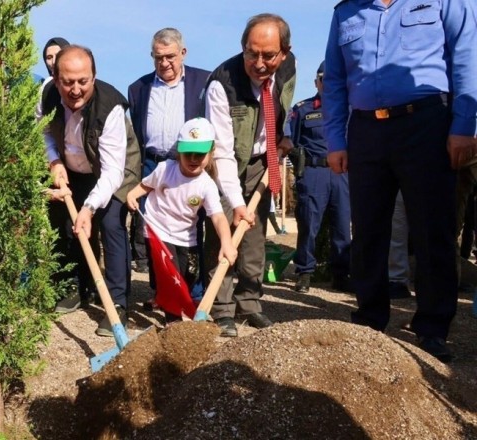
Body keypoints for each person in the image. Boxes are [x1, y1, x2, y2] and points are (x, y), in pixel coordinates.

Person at [323, 0, 477, 363]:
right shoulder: (345, 12)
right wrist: (335, 140)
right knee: (368, 229)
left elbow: (466, 55)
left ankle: (433, 327)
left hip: (426, 122)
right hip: (365, 130)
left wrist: (464, 125)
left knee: (432, 229)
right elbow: (334, 80)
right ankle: (369, 319)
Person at [204, 13, 296, 337]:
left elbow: (280, 103)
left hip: (263, 158)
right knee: (225, 234)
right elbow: (224, 153)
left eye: (268, 55)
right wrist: (235, 201)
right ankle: (222, 310)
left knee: (255, 240)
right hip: (226, 163)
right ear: (243, 48)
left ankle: (250, 303)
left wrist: (280, 136)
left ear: (283, 52)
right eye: (250, 53)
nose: (258, 63)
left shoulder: (289, 67)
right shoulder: (222, 84)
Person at [39, 45, 141, 336]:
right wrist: (54, 161)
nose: (75, 89)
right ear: (56, 79)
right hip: (69, 165)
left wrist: (89, 207)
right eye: (68, 82)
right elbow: (44, 131)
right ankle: (73, 286)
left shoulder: (110, 108)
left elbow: (111, 172)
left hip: (112, 168)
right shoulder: (46, 94)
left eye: (83, 81)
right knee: (62, 222)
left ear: (94, 77)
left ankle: (117, 303)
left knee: (110, 224)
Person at [125, 117, 237, 321]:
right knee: (171, 277)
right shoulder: (165, 169)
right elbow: (146, 185)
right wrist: (132, 195)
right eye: (188, 154)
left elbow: (219, 217)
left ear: (211, 154)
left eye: (200, 154)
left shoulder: (207, 184)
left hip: (187, 236)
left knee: (189, 276)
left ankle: (168, 300)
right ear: (179, 152)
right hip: (159, 230)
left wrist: (227, 242)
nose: (193, 159)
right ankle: (173, 321)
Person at [127, 27, 211, 284]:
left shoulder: (203, 82)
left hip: (189, 164)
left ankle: (192, 287)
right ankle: (161, 289)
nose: (164, 63)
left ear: (183, 53)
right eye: (158, 57)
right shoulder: (138, 88)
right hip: (152, 163)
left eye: (170, 56)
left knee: (191, 225)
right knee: (152, 228)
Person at [285, 61, 351, 294]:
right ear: (317, 82)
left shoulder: (350, 109)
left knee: (342, 226)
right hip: (314, 173)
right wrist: (301, 168)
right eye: (324, 79)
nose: (328, 84)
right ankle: (304, 273)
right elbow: (290, 143)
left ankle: (341, 274)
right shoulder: (303, 109)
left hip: (342, 174)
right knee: (309, 225)